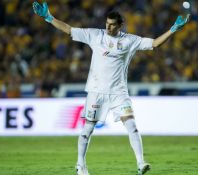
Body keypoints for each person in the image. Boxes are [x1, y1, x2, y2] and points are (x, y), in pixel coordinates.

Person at [32, 2, 189, 175]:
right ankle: (80, 165)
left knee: (132, 126)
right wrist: (48, 17)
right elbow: (69, 29)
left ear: (120, 25)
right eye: (107, 23)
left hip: (118, 93)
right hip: (96, 91)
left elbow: (154, 44)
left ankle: (141, 163)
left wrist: (174, 29)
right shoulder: (95, 35)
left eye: (112, 24)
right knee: (88, 129)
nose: (108, 27)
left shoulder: (130, 40)